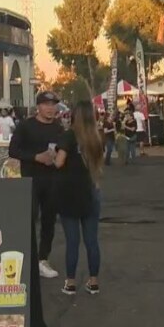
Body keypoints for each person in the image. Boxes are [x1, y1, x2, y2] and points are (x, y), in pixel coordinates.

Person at [9, 91, 64, 278]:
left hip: (52, 181)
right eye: (46, 104)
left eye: (53, 105)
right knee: (29, 219)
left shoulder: (58, 128)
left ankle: (43, 259)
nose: (50, 108)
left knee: (49, 221)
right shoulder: (26, 126)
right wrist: (35, 157)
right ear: (38, 106)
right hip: (31, 180)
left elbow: (63, 150)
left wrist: (57, 158)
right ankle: (26, 257)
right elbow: (13, 150)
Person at [54, 100, 104, 295]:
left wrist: (52, 155)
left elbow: (59, 162)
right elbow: (98, 167)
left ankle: (70, 282)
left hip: (69, 194)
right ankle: (94, 281)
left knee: (72, 241)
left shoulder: (68, 136)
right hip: (90, 191)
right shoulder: (96, 137)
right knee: (92, 241)